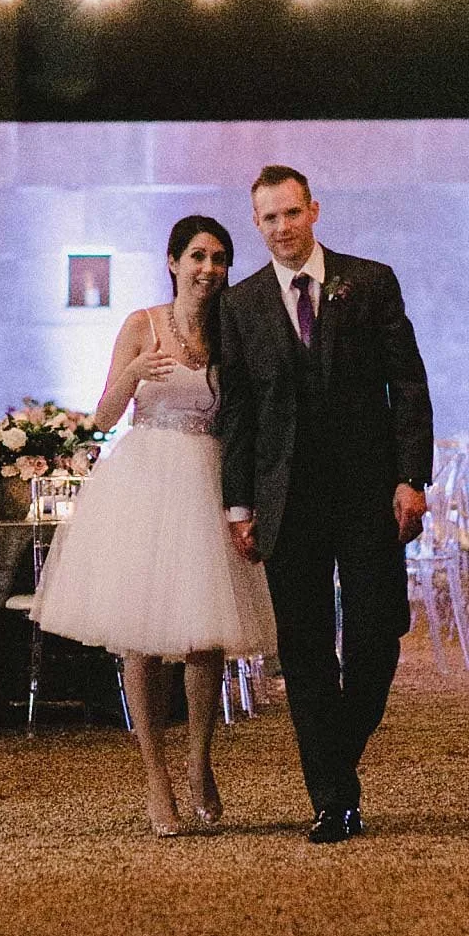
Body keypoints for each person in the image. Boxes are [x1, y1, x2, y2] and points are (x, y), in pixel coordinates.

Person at [33, 214, 278, 837]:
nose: (209, 268)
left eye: (219, 258)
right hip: (145, 479)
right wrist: (134, 372)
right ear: (173, 262)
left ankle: (199, 762)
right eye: (197, 256)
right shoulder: (142, 323)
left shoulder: (233, 329)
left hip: (208, 478)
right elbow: (101, 416)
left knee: (206, 635)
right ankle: (155, 777)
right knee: (140, 638)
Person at [219, 164, 433, 844]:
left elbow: (409, 383)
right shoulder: (240, 304)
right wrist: (239, 505)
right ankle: (334, 800)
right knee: (306, 651)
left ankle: (336, 751)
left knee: (376, 634)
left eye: (290, 213)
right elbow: (239, 413)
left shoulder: (369, 282)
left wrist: (412, 477)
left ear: (313, 209)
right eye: (268, 219)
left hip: (369, 492)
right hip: (287, 499)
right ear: (257, 224)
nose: (281, 229)